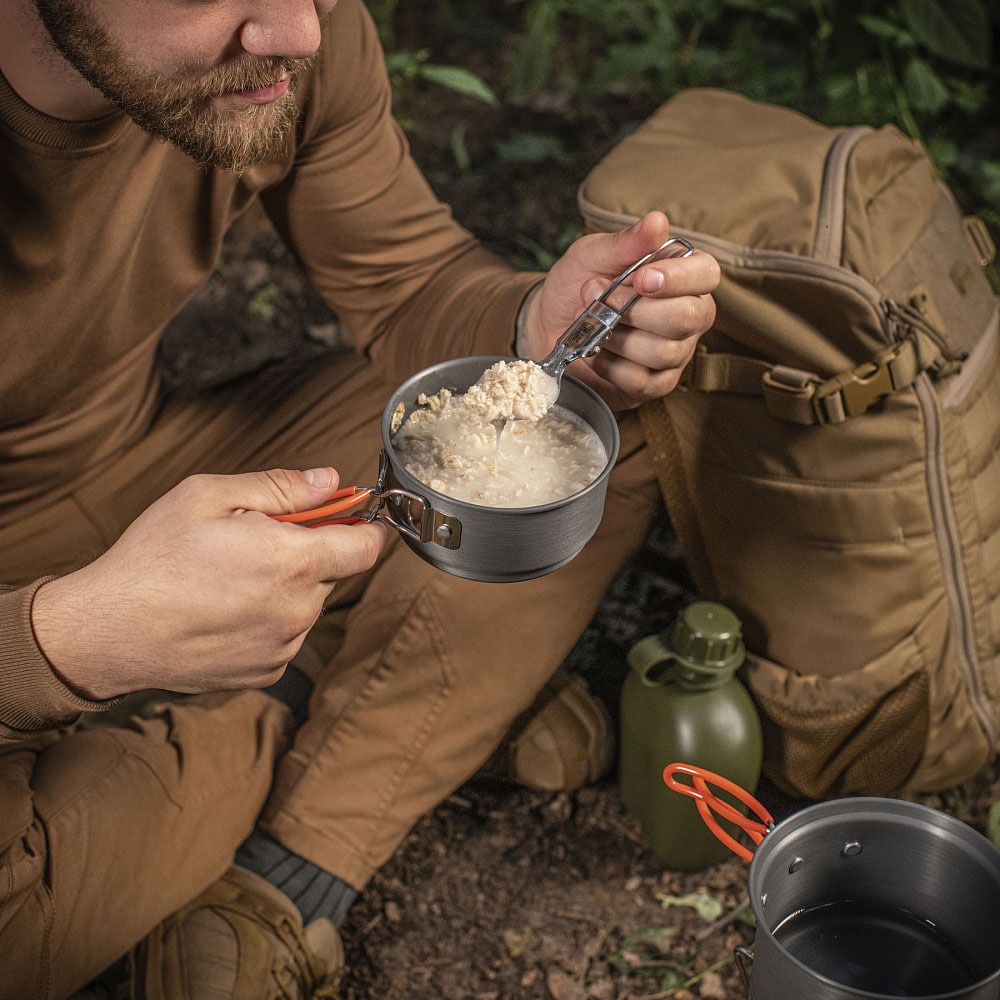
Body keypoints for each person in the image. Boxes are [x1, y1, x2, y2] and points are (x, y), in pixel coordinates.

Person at [0, 0, 720, 996]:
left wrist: (529, 322)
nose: (297, 31)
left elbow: (403, 274)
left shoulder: (285, 38)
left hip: (140, 463)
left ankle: (292, 869)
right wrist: (65, 645)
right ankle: (301, 692)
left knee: (595, 422)